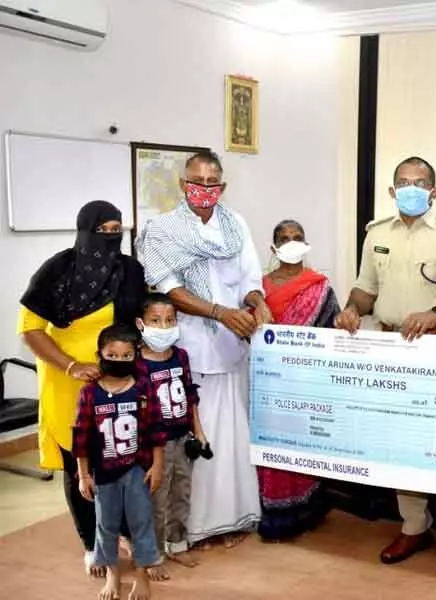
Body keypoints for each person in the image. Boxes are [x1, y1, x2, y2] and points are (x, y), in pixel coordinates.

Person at [334, 156, 436, 577]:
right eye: (403, 182)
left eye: (420, 182)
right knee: (401, 440)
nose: (411, 188)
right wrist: (351, 309)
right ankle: (413, 525)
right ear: (391, 190)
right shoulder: (376, 234)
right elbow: (366, 289)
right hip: (389, 347)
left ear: (434, 191)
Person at [136, 151, 270, 547]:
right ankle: (190, 528)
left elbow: (249, 275)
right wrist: (218, 311)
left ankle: (232, 520)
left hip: (233, 343)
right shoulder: (162, 229)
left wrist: (256, 301)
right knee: (196, 437)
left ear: (222, 187)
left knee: (231, 437)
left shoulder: (235, 224)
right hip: (190, 348)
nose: (204, 189)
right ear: (182, 184)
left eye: (212, 183)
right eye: (196, 181)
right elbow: (168, 288)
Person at [18, 200, 146, 577]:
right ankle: (91, 542)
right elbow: (31, 330)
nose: (110, 238)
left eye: (116, 230)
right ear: (84, 231)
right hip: (66, 381)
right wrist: (72, 366)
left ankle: (121, 530)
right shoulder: (58, 270)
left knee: (122, 460)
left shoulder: (131, 270)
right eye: (102, 230)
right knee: (80, 468)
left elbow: (139, 321)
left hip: (118, 383)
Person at [257, 219, 340, 541]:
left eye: (298, 237)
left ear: (306, 243)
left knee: (303, 446)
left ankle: (307, 509)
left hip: (305, 381)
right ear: (273, 247)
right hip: (267, 381)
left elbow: (331, 331)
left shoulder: (319, 287)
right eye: (284, 238)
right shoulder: (257, 288)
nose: (291, 242)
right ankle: (275, 514)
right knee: (271, 448)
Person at [73, 324, 165, 600]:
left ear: (135, 356)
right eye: (112, 354)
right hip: (103, 472)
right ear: (100, 353)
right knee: (106, 524)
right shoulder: (89, 393)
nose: (120, 361)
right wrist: (83, 474)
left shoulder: (143, 388)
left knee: (141, 522)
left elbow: (156, 429)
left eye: (127, 356)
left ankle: (141, 575)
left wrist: (157, 465)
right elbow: (81, 436)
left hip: (137, 469)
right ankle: (112, 574)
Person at [134, 293, 205, 570]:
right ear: (141, 323)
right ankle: (153, 554)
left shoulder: (180, 357)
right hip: (155, 446)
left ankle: (178, 543)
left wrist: (198, 431)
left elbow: (190, 395)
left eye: (170, 320)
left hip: (182, 437)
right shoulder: (137, 364)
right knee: (156, 499)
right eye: (156, 321)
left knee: (182, 493)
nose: (164, 327)